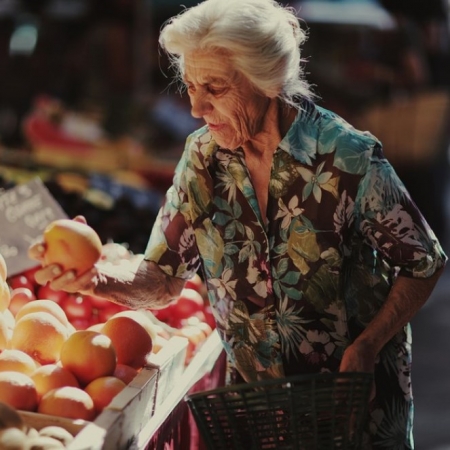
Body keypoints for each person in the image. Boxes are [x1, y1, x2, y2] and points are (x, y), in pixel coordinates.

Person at [29, 0, 447, 448]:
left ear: (266, 79)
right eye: (189, 85)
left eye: (214, 86)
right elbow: (163, 279)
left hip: (353, 410)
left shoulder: (347, 158)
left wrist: (369, 343)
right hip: (255, 413)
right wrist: (97, 278)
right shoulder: (202, 160)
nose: (195, 106)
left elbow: (423, 262)